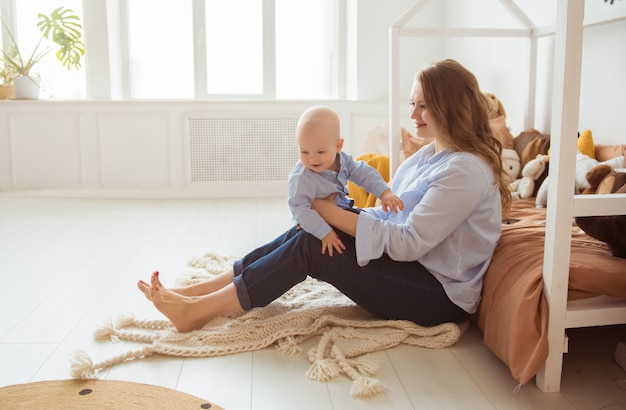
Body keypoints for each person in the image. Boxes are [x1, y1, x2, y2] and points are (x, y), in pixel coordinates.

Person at [137, 59, 512, 333]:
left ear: (450, 107)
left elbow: (407, 242)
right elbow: (389, 220)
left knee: (312, 246)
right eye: (412, 102)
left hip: (436, 296)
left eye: (424, 104)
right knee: (309, 232)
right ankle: (195, 294)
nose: (412, 113)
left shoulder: (465, 170)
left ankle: (197, 311)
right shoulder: (431, 155)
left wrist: (323, 208)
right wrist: (323, 217)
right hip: (414, 270)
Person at [288, 105, 404, 256]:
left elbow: (363, 173)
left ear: (338, 145)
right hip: (312, 224)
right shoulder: (302, 176)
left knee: (366, 224)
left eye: (320, 152)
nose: (312, 158)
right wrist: (324, 233)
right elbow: (299, 209)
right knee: (292, 246)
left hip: (340, 213)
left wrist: (384, 192)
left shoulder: (343, 161)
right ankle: (251, 265)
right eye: (304, 151)